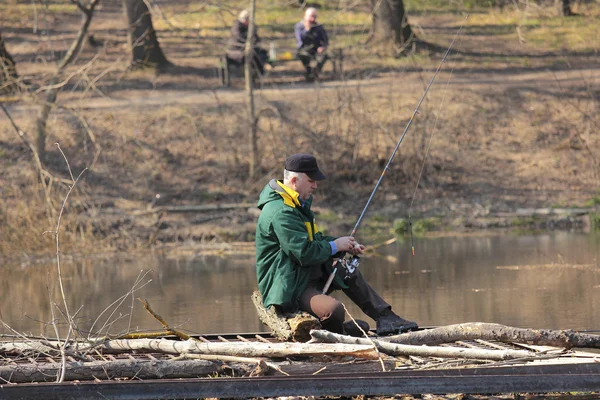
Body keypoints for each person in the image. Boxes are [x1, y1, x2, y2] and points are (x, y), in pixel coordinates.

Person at [255, 153, 419, 337]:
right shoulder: (281, 212)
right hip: (287, 284)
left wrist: (343, 243)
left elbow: (313, 240)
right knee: (333, 310)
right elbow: (304, 253)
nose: (315, 186)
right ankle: (340, 332)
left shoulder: (296, 204)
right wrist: (335, 246)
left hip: (300, 273)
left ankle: (386, 318)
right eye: (311, 181)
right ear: (293, 180)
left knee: (346, 270)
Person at [226, 9, 269, 76]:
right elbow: (239, 39)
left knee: (262, 53)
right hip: (236, 50)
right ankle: (257, 74)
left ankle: (259, 72)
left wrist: (255, 41)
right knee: (252, 55)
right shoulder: (237, 27)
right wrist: (249, 43)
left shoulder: (250, 27)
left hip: (249, 48)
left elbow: (256, 38)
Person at [294, 7, 329, 81]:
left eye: (314, 17)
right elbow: (300, 41)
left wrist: (323, 47)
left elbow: (325, 39)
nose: (312, 19)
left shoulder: (319, 27)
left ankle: (315, 73)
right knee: (303, 55)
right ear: (306, 16)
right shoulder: (299, 26)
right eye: (311, 16)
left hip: (316, 48)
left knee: (324, 57)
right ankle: (309, 72)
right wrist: (307, 30)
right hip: (304, 48)